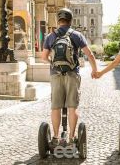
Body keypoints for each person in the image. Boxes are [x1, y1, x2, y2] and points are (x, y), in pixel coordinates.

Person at [42, 8, 98, 145]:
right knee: (72, 106)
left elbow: (44, 57)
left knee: (56, 106)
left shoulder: (51, 36)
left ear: (58, 20)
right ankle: (72, 138)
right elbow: (89, 54)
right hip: (73, 74)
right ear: (71, 20)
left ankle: (55, 137)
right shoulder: (76, 35)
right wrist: (94, 70)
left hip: (56, 74)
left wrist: (53, 64)